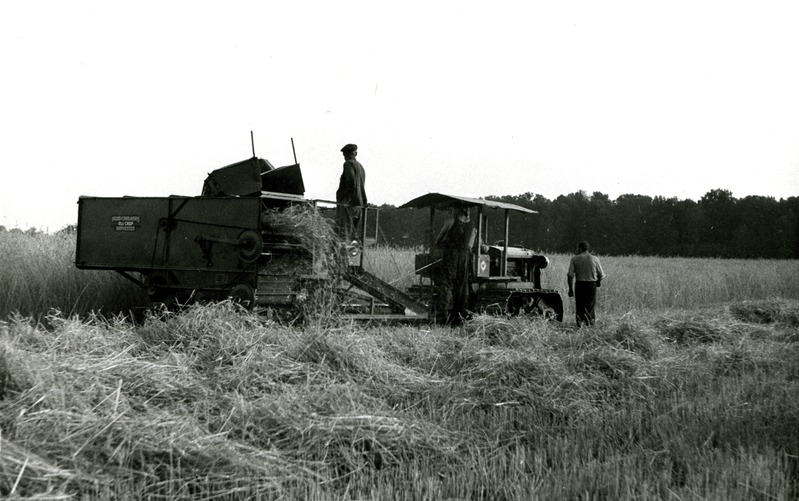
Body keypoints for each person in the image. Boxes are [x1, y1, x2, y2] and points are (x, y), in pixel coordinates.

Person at [435, 203, 476, 326]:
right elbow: (470, 245)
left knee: (446, 286)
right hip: (464, 258)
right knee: (462, 289)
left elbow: (439, 239)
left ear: (456, 210)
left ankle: (442, 318)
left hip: (451, 256)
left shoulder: (451, 221)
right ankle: (459, 318)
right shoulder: (472, 226)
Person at [567, 241, 606, 326]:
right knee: (590, 305)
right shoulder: (595, 259)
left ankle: (580, 325)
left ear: (580, 248)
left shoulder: (575, 259)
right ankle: (590, 324)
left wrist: (570, 289)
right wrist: (598, 282)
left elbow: (570, 275)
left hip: (580, 285)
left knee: (580, 305)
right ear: (588, 249)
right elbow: (601, 275)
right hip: (591, 285)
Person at [335, 143, 367, 242]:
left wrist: (346, 200)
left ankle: (343, 257)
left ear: (346, 155)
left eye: (345, 155)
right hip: (359, 205)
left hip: (349, 205)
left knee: (343, 235)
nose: (345, 158)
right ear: (355, 153)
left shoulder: (348, 164)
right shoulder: (361, 167)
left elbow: (351, 181)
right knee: (351, 235)